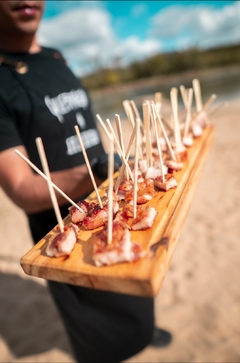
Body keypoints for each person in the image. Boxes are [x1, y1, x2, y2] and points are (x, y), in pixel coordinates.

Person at [0, 1, 172, 362]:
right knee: (99, 326)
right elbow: (21, 190)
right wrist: (98, 169)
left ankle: (142, 331)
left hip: (112, 197)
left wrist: (116, 174)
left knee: (134, 286)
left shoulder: (57, 57)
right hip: (62, 220)